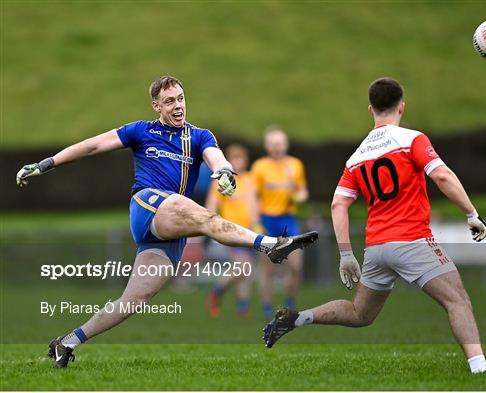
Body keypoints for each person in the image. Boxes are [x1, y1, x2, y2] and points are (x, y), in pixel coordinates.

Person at [15, 76, 318, 368]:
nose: (178, 105)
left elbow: (216, 157)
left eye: (181, 99)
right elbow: (93, 145)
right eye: (169, 101)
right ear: (156, 106)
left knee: (133, 301)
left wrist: (225, 171)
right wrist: (46, 164)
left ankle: (66, 343)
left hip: (169, 229)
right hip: (147, 206)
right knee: (204, 216)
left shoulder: (199, 136)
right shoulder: (141, 131)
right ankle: (271, 245)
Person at [262, 77, 486, 374]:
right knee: (458, 300)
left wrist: (346, 254)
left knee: (361, 313)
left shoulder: (356, 157)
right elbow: (443, 176)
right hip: (412, 240)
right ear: (402, 107)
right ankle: (480, 370)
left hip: (376, 247)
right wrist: (471, 213)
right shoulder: (412, 139)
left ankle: (297, 318)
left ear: (370, 109)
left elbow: (338, 204)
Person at [251, 127, 309, 319]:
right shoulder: (259, 167)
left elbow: (302, 191)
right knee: (267, 268)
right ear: (267, 146)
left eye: (280, 143)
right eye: (273, 143)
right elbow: (254, 197)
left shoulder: (295, 165)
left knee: (295, 266)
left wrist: (299, 197)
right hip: (267, 220)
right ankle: (267, 306)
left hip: (288, 220)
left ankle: (290, 302)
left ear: (286, 144)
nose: (277, 147)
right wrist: (255, 221)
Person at [206, 143, 260, 318]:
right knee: (243, 267)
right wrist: (214, 227)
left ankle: (243, 307)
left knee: (243, 270)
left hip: (250, 230)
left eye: (241, 158)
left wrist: (257, 222)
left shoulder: (250, 179)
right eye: (235, 158)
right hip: (231, 230)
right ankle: (217, 292)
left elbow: (255, 205)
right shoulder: (222, 181)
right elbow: (211, 207)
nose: (238, 161)